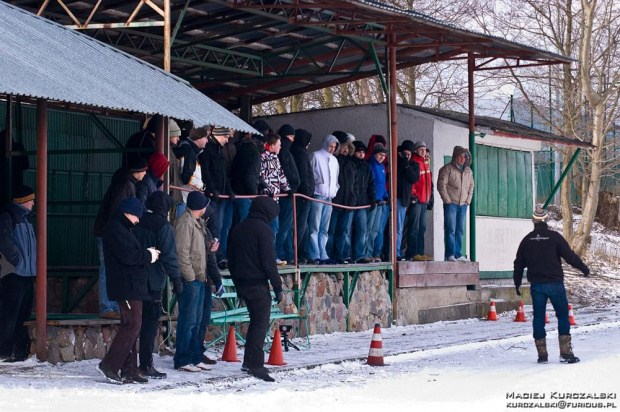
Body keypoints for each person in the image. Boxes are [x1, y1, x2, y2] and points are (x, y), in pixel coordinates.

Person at [513, 206, 590, 364]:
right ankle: (566, 353)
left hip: (537, 286)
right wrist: (584, 268)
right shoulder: (555, 237)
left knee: (539, 318)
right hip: (555, 283)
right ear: (546, 220)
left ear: (533, 221)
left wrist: (517, 283)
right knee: (562, 315)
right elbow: (570, 256)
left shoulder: (527, 240)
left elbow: (518, 264)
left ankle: (542, 355)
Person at [96, 197, 160, 384]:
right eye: (136, 216)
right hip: (126, 286)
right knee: (132, 326)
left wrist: (146, 254)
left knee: (132, 326)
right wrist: (148, 255)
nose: (138, 220)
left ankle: (129, 370)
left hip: (130, 285)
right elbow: (128, 256)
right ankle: (110, 365)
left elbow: (129, 254)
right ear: (128, 212)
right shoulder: (115, 229)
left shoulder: (120, 229)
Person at [227, 196, 283, 382]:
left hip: (243, 283)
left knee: (255, 323)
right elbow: (268, 262)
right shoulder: (264, 231)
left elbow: (231, 259)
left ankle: (249, 361)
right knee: (260, 324)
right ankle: (255, 364)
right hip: (258, 285)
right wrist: (277, 287)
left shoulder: (238, 228)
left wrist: (237, 283)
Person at [132, 192, 184, 379]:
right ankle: (145, 365)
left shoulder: (137, 221)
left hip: (134, 278)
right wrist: (177, 281)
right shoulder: (163, 226)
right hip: (153, 281)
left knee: (132, 324)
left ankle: (129, 364)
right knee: (148, 325)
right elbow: (169, 257)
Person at [93, 157, 148, 318]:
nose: (145, 174)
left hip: (108, 231)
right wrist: (118, 231)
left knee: (110, 268)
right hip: (108, 233)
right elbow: (116, 212)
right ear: (137, 172)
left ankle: (112, 306)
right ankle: (106, 307)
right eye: (144, 171)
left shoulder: (125, 183)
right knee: (107, 269)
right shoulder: (125, 185)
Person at [173, 191, 213, 372]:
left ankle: (195, 357)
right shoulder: (184, 223)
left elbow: (196, 251)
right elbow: (182, 253)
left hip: (200, 278)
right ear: (201, 207)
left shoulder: (197, 222)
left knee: (197, 322)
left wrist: (210, 249)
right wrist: (190, 277)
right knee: (188, 321)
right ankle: (182, 359)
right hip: (192, 279)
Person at [0, 186, 36, 362]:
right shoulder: (9, 216)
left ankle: (20, 351)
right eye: (31, 200)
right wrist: (16, 259)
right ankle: (4, 351)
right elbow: (4, 240)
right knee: (10, 314)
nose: (33, 203)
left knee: (23, 314)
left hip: (27, 273)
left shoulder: (26, 219)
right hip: (14, 273)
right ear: (22, 201)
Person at [200, 126, 235, 268]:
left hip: (220, 195)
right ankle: (214, 258)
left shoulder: (219, 151)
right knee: (214, 227)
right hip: (213, 196)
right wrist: (212, 189)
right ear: (219, 135)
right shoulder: (208, 150)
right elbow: (206, 172)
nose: (227, 140)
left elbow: (223, 174)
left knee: (219, 227)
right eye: (226, 137)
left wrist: (229, 190)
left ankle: (217, 256)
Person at [437, 146, 474, 262]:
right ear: (455, 157)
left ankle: (458, 254)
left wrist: (468, 200)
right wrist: (447, 200)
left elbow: (471, 186)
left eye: (465, 157)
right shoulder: (447, 169)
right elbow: (441, 185)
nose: (463, 159)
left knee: (460, 230)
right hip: (451, 203)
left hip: (463, 204)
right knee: (451, 229)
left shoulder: (469, 171)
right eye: (461, 156)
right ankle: (450, 254)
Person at [260, 132, 292, 264]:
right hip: (266, 199)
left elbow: (281, 175)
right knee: (271, 227)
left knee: (275, 228)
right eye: (279, 145)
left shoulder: (276, 158)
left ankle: (272, 256)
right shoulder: (262, 157)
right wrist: (267, 190)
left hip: (276, 200)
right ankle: (267, 257)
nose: (280, 147)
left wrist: (288, 189)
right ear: (272, 145)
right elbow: (261, 176)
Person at [308, 134, 340, 264]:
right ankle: (314, 253)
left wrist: (335, 190)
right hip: (318, 194)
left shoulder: (334, 161)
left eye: (334, 147)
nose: (332, 149)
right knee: (314, 226)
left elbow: (336, 178)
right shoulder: (315, 155)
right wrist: (319, 183)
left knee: (324, 228)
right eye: (330, 146)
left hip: (329, 197)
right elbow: (310, 173)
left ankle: (323, 253)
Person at [275, 124, 299, 265]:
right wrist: (292, 185)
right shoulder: (284, 151)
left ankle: (286, 254)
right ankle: (281, 253)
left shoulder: (286, 150)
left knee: (287, 227)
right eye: (291, 136)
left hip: (289, 192)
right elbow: (285, 170)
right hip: (287, 193)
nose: (292, 140)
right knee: (284, 226)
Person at [290, 128, 315, 264]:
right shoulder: (300, 154)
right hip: (303, 196)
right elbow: (304, 174)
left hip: (304, 195)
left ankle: (302, 253)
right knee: (300, 225)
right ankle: (296, 254)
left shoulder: (297, 152)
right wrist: (308, 192)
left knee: (304, 226)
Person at [406, 141, 432, 261]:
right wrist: (413, 196)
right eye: (421, 149)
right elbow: (413, 182)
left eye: (424, 149)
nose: (423, 151)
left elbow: (428, 183)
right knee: (414, 228)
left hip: (424, 201)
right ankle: (412, 253)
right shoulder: (415, 162)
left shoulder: (425, 163)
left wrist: (429, 197)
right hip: (417, 201)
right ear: (415, 150)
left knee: (422, 228)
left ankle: (420, 253)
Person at [350, 142, 375, 264]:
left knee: (362, 231)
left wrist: (372, 199)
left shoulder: (366, 167)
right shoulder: (349, 164)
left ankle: (359, 255)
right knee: (346, 231)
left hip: (362, 204)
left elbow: (371, 184)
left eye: (363, 152)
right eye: (359, 152)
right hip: (349, 203)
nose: (361, 154)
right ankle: (346, 255)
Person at [395, 141, 420, 261]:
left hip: (403, 200)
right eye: (405, 153)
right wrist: (401, 160)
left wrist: (406, 165)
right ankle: (388, 251)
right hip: (392, 197)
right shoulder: (396, 162)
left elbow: (414, 178)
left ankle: (397, 252)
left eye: (409, 154)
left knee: (399, 228)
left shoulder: (414, 165)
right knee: (388, 227)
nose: (407, 156)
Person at [365, 143, 389, 262]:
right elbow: (371, 184)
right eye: (380, 155)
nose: (382, 157)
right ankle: (366, 253)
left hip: (380, 202)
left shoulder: (382, 167)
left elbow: (382, 185)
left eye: (384, 156)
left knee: (375, 229)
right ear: (375, 154)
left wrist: (386, 196)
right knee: (368, 229)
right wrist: (373, 198)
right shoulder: (370, 165)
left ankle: (372, 253)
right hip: (373, 202)